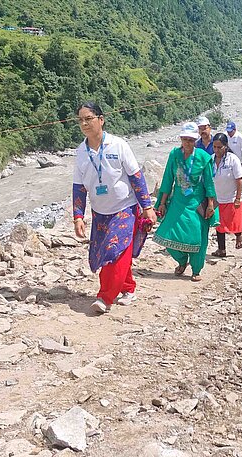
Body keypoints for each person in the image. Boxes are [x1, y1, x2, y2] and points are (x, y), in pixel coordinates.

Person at [72, 101, 157, 314]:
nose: (84, 124)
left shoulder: (119, 145)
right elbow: (79, 187)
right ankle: (128, 288)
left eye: (88, 119)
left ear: (101, 120)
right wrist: (78, 216)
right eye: (80, 120)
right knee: (111, 252)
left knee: (114, 252)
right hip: (100, 212)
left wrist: (147, 207)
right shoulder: (81, 151)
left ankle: (105, 297)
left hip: (125, 208)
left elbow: (136, 177)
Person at [153, 122, 219, 281]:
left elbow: (209, 182)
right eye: (184, 139)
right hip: (177, 201)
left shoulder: (203, 157)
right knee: (168, 233)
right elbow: (168, 179)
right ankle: (182, 261)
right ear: (181, 139)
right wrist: (162, 202)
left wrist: (210, 204)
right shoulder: (174, 155)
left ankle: (196, 269)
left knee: (198, 236)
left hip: (196, 202)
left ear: (196, 140)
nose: (187, 143)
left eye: (191, 140)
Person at [209, 133, 242, 257]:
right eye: (214, 147)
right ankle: (221, 250)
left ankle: (239, 234)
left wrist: (238, 198)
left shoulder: (233, 159)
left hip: (232, 196)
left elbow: (239, 180)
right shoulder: (211, 159)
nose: (217, 150)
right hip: (218, 197)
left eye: (219, 147)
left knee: (233, 222)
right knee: (219, 224)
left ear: (225, 146)